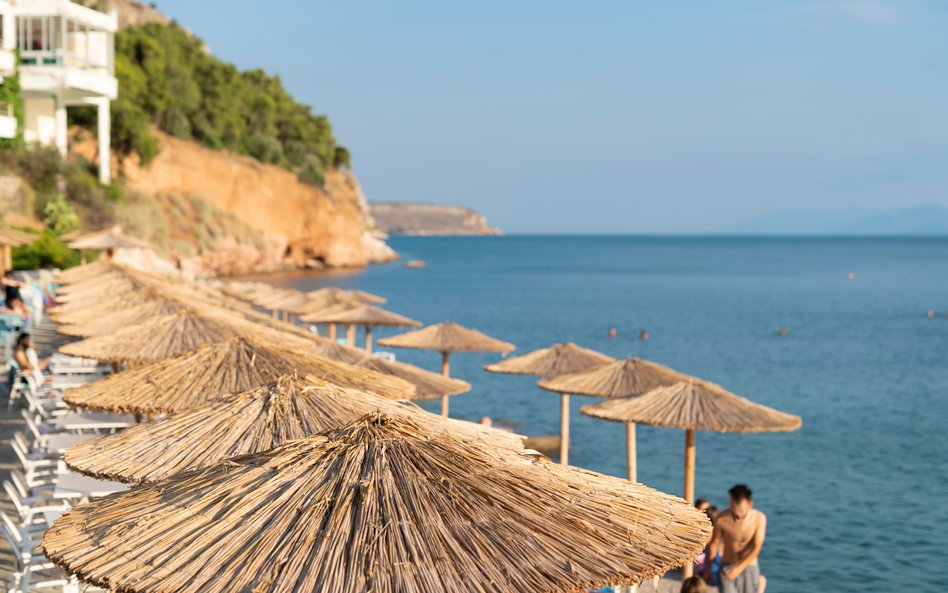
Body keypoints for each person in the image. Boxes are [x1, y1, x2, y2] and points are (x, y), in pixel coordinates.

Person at [706, 484, 767, 593]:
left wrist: (738, 569)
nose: (737, 515)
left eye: (741, 511)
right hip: (727, 566)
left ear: (750, 504)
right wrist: (708, 569)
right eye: (733, 508)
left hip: (749, 566)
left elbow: (757, 547)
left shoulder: (759, 518)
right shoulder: (722, 519)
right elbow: (714, 544)